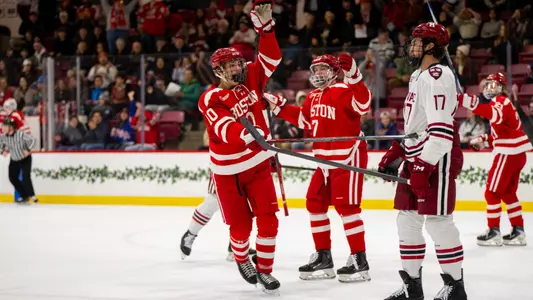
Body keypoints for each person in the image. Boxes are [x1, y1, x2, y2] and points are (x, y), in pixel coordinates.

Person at [197, 0, 282, 294]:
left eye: (238, 62)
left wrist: (266, 29)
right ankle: (241, 256)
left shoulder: (251, 78)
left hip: (257, 165)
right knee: (241, 229)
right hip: (228, 173)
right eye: (231, 65)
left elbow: (271, 59)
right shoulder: (211, 98)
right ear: (219, 71)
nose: (237, 67)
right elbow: (224, 128)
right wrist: (249, 133)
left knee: (269, 222)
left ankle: (265, 272)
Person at [264, 52, 372, 283]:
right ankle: (324, 256)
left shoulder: (344, 89)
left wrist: (354, 75)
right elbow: (303, 119)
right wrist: (278, 107)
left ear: (334, 71)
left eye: (324, 68)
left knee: (347, 207)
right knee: (314, 203)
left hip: (347, 157)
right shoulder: (312, 96)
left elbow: (363, 103)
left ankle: (359, 262)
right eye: (316, 69)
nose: (319, 73)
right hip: (323, 162)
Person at [377, 22, 467, 300]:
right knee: (407, 221)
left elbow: (440, 133)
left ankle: (455, 287)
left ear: (431, 46)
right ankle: (411, 287)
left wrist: (422, 166)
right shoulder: (419, 75)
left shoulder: (438, 76)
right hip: (418, 154)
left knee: (438, 221)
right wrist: (398, 150)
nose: (411, 46)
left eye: (417, 41)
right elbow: (417, 125)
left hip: (437, 157)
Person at [459, 73, 531, 246]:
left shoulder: (500, 102)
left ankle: (493, 231)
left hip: (508, 153)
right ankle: (518, 231)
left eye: (491, 84)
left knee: (491, 192)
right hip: (517, 153)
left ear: (500, 87)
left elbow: (492, 114)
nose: (487, 88)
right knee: (508, 193)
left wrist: (465, 100)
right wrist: (484, 139)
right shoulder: (506, 103)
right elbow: (503, 131)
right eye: (486, 84)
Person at [179, 171, 257, 261]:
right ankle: (190, 234)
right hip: (224, 163)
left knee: (244, 202)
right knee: (214, 198)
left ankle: (236, 245)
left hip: (247, 164)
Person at [0, 118, 37, 204]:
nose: (3, 128)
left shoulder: (20, 134)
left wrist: (28, 150)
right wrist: (2, 151)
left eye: (5, 126)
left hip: (25, 158)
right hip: (14, 159)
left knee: (25, 177)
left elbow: (33, 140)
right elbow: (0, 144)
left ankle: (32, 195)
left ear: (11, 127)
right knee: (12, 178)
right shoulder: (4, 136)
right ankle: (24, 196)